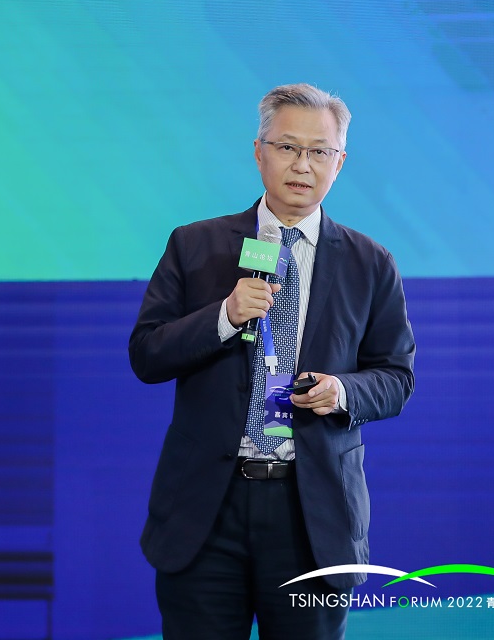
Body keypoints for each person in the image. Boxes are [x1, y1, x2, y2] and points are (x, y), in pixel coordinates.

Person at [128, 83, 415, 639]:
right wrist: (225, 315)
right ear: (259, 152)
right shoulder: (195, 245)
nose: (302, 165)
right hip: (206, 510)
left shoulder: (370, 263)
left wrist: (342, 392)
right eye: (287, 147)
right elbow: (147, 353)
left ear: (339, 162)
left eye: (319, 151)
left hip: (310, 515)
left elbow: (396, 377)